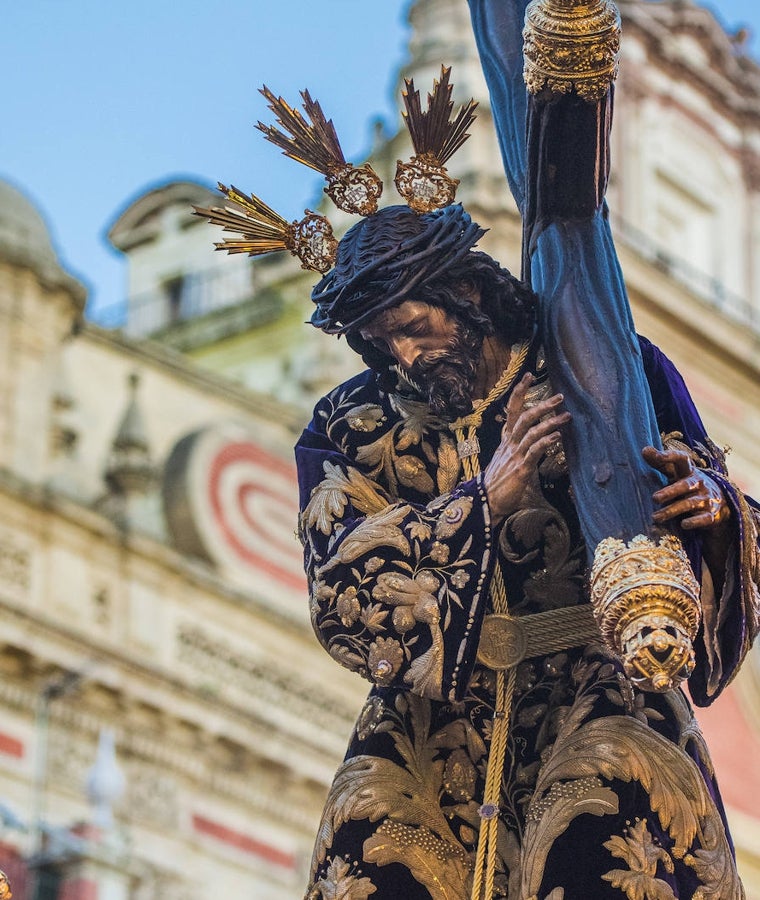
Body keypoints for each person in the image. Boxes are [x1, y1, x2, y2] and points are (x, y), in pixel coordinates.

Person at [296, 203, 759, 899]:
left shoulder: (602, 361)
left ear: (470, 293)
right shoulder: (349, 424)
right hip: (426, 738)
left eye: (415, 328)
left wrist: (715, 510)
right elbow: (346, 588)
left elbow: (694, 484)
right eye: (380, 341)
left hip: (597, 698)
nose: (406, 357)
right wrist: (484, 498)